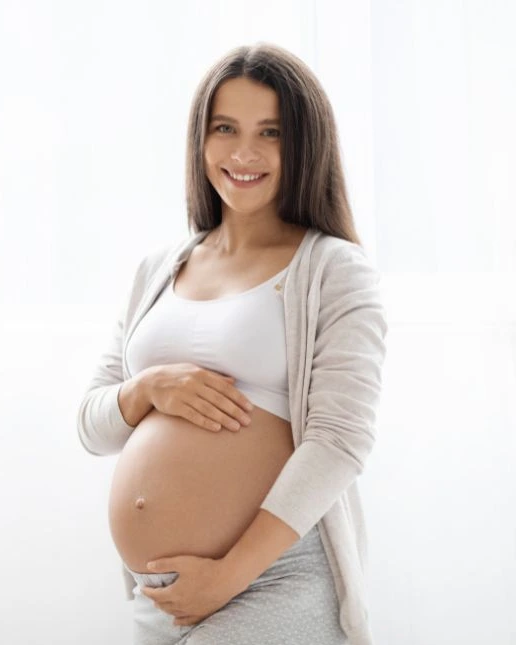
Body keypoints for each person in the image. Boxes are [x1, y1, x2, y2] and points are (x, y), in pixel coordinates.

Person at [76, 42, 387, 645]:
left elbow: (340, 442)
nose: (244, 153)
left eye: (271, 132)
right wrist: (148, 388)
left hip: (271, 580)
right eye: (226, 128)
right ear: (201, 138)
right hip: (161, 598)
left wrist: (227, 577)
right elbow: (93, 426)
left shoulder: (332, 270)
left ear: (305, 144)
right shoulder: (159, 269)